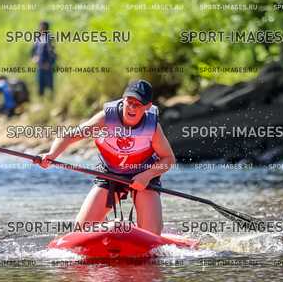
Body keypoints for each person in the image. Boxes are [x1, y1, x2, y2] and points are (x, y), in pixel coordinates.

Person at [38, 80, 175, 235]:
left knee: (151, 234)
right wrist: (51, 154)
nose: (131, 107)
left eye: (137, 104)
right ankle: (107, 229)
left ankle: (144, 231)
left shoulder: (153, 127)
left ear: (148, 106)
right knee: (81, 230)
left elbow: (168, 158)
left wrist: (147, 175)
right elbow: (69, 135)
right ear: (123, 99)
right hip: (110, 174)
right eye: (129, 101)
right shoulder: (106, 118)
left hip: (143, 175)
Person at [31, 21, 57, 96]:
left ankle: (51, 99)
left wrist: (49, 63)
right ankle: (41, 99)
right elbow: (33, 51)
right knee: (40, 84)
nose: (41, 29)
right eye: (40, 27)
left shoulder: (50, 38)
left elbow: (53, 52)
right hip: (40, 65)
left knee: (50, 85)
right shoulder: (38, 38)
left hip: (48, 65)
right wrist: (33, 57)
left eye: (42, 27)